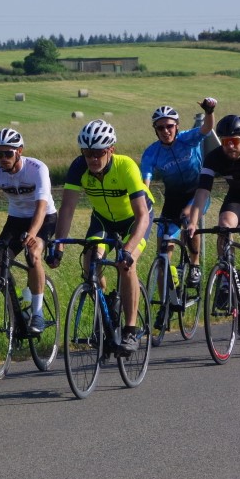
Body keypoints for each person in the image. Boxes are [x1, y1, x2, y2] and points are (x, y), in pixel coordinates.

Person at [49, 119, 153, 356]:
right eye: (88, 153)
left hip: (134, 220)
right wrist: (59, 246)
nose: (93, 159)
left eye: (98, 153)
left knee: (126, 265)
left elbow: (142, 217)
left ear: (111, 150)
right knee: (90, 264)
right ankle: (107, 307)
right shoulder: (79, 167)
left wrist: (127, 250)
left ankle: (130, 330)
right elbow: (67, 209)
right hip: (103, 220)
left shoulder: (125, 166)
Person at [0, 127, 58, 334]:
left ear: (20, 151)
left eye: (8, 153)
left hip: (44, 217)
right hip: (16, 219)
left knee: (33, 253)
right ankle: (17, 305)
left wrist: (32, 233)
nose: (3, 159)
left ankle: (38, 313)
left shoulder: (37, 169)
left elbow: (41, 206)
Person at [140, 98, 217, 287]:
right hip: (173, 200)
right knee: (162, 253)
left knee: (188, 216)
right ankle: (165, 300)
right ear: (155, 130)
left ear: (177, 126)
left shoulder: (187, 138)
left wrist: (209, 112)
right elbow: (145, 184)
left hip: (197, 193)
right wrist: (142, 205)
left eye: (169, 126)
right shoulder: (151, 152)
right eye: (160, 128)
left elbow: (207, 128)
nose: (165, 131)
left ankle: (195, 264)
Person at [184, 114, 240, 289]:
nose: (230, 146)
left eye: (234, 141)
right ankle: (227, 278)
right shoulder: (214, 157)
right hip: (237, 196)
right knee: (224, 226)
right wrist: (193, 222)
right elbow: (202, 192)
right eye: (225, 142)